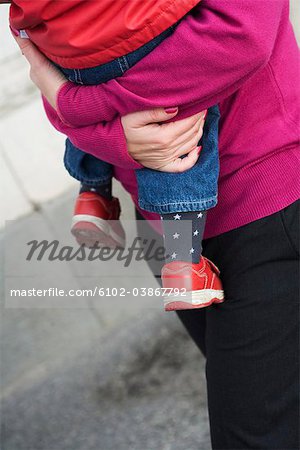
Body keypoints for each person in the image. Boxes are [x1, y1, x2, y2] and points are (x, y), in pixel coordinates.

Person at [11, 1, 299, 448]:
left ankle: (93, 193)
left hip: (265, 200)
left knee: (253, 433)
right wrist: (104, 130)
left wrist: (77, 102)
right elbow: (48, 64)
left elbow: (242, 35)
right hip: (159, 224)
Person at [8, 0, 224, 311]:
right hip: (138, 22)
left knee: (83, 85)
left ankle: (93, 196)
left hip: (63, 38)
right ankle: (183, 263)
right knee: (176, 124)